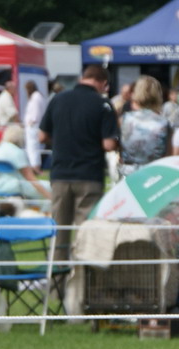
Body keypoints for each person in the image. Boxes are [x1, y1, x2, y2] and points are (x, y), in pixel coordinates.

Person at [38, 64, 119, 257]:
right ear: (103, 83)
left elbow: (41, 136)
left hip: (60, 174)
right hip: (89, 175)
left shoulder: (58, 99)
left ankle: (57, 282)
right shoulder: (103, 104)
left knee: (60, 232)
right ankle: (83, 282)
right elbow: (108, 144)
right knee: (86, 233)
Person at [118, 75, 172, 178]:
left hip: (128, 174)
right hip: (154, 175)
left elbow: (120, 149)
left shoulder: (123, 119)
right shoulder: (164, 123)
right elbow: (168, 156)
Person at [0, 125, 51, 201]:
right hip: (15, 186)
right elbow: (30, 178)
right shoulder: (17, 152)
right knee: (51, 187)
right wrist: (48, 195)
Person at [23, 80, 46, 171]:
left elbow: (36, 113)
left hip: (33, 126)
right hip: (33, 125)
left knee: (33, 146)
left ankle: (35, 167)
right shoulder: (37, 96)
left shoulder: (36, 97)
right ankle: (34, 165)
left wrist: (31, 122)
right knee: (32, 147)